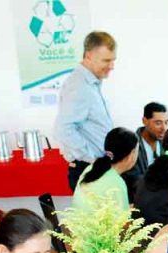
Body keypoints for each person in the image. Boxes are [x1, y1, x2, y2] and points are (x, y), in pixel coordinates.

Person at [55, 31, 117, 192]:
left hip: (94, 168)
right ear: (89, 56)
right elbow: (63, 129)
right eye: (106, 60)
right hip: (87, 169)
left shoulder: (91, 84)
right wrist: (93, 159)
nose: (111, 66)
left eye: (113, 60)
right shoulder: (79, 86)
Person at [72, 127, 138, 214]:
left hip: (77, 225)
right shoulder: (116, 183)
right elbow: (122, 224)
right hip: (93, 227)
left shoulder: (91, 169)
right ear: (132, 154)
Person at [122, 102, 168, 200]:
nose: (164, 128)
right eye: (158, 123)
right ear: (145, 121)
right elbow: (132, 181)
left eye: (166, 122)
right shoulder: (130, 145)